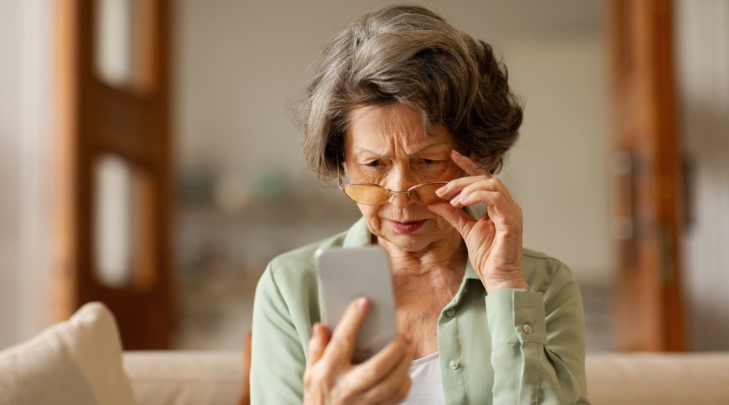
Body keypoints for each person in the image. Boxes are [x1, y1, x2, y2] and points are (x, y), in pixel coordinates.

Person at [250, 4, 589, 404]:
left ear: (475, 157)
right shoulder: (290, 287)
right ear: (342, 163)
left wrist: (506, 288)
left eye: (427, 162)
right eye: (374, 164)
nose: (399, 194)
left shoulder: (542, 285)